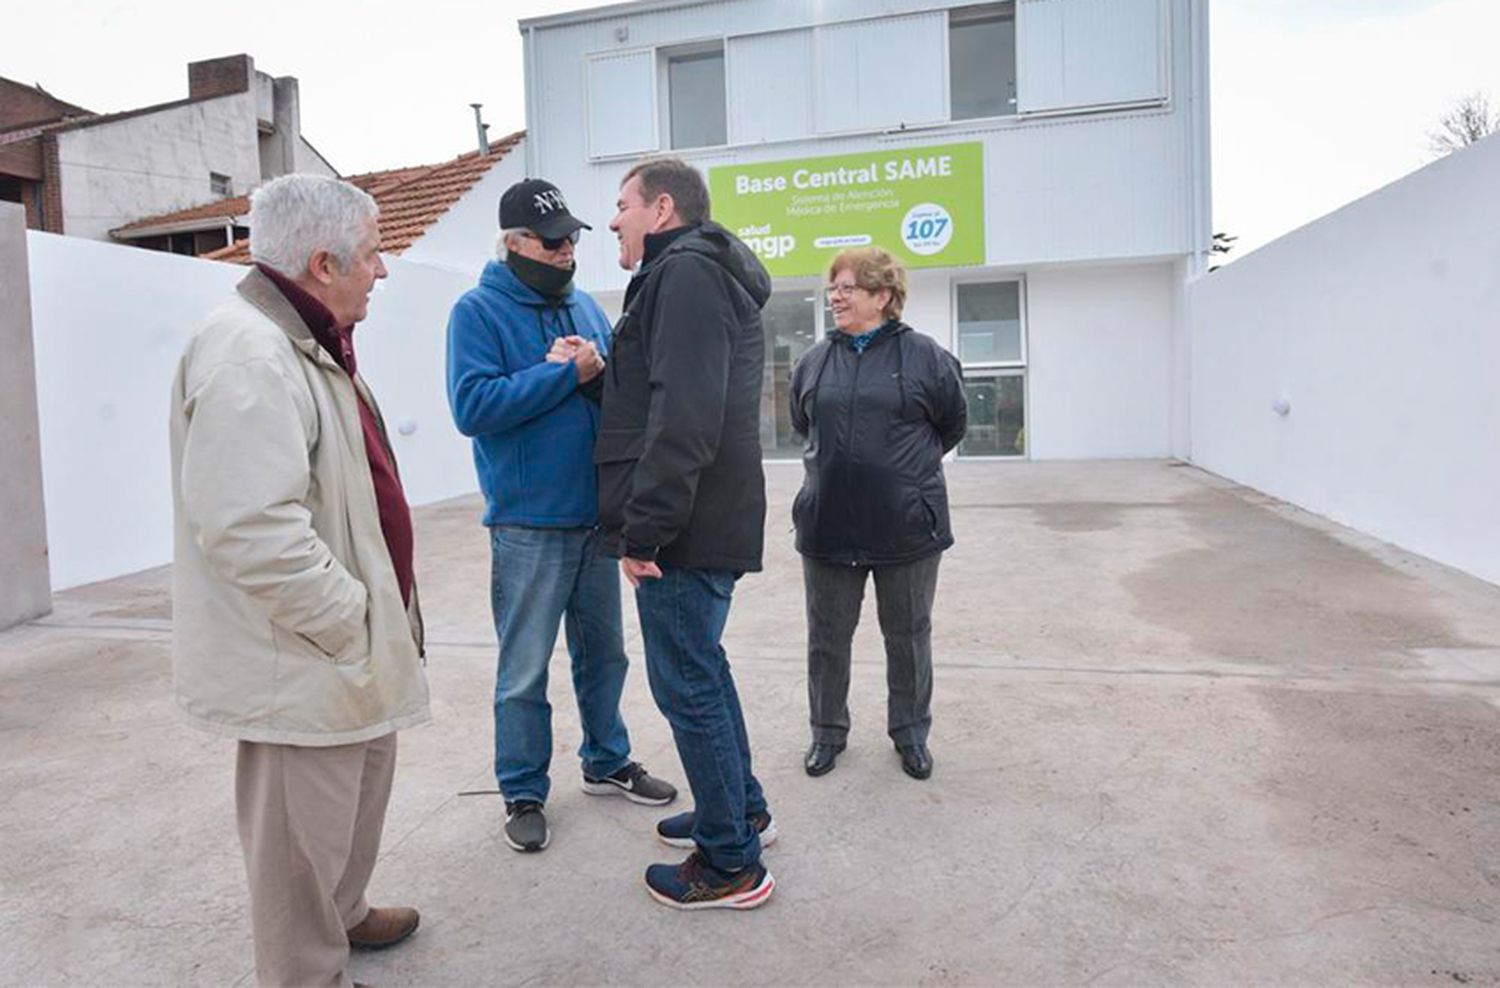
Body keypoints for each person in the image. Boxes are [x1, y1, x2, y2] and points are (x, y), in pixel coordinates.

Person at [169, 174, 429, 987]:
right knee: (297, 839)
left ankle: (343, 914)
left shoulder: (303, 336)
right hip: (306, 655)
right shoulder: (249, 352)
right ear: (323, 262)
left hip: (347, 648)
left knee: (351, 805)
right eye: (374, 252)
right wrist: (348, 619)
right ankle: (305, 971)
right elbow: (251, 528)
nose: (382, 270)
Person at [446, 178, 677, 854]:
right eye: (552, 242)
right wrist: (560, 376)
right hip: (526, 525)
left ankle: (606, 761)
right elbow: (472, 408)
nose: (567, 250)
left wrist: (596, 373)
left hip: (594, 520)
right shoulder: (477, 312)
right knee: (524, 669)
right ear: (514, 244)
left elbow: (616, 394)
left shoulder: (583, 305)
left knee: (604, 655)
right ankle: (522, 788)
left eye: (572, 237)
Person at [597, 157, 776, 910]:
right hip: (705, 520)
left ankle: (730, 861)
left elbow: (685, 416)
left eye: (622, 205)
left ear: (661, 208)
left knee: (687, 684)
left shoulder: (687, 276)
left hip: (687, 529)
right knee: (703, 670)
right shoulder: (693, 275)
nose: (613, 220)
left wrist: (646, 531)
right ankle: (740, 810)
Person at [789, 247, 967, 782]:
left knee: (908, 635)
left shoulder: (926, 357)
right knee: (827, 637)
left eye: (848, 287)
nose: (836, 296)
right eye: (834, 287)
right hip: (828, 525)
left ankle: (910, 734)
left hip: (906, 526)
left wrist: (903, 475)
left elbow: (951, 424)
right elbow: (806, 424)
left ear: (883, 295)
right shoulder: (814, 360)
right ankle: (827, 733)